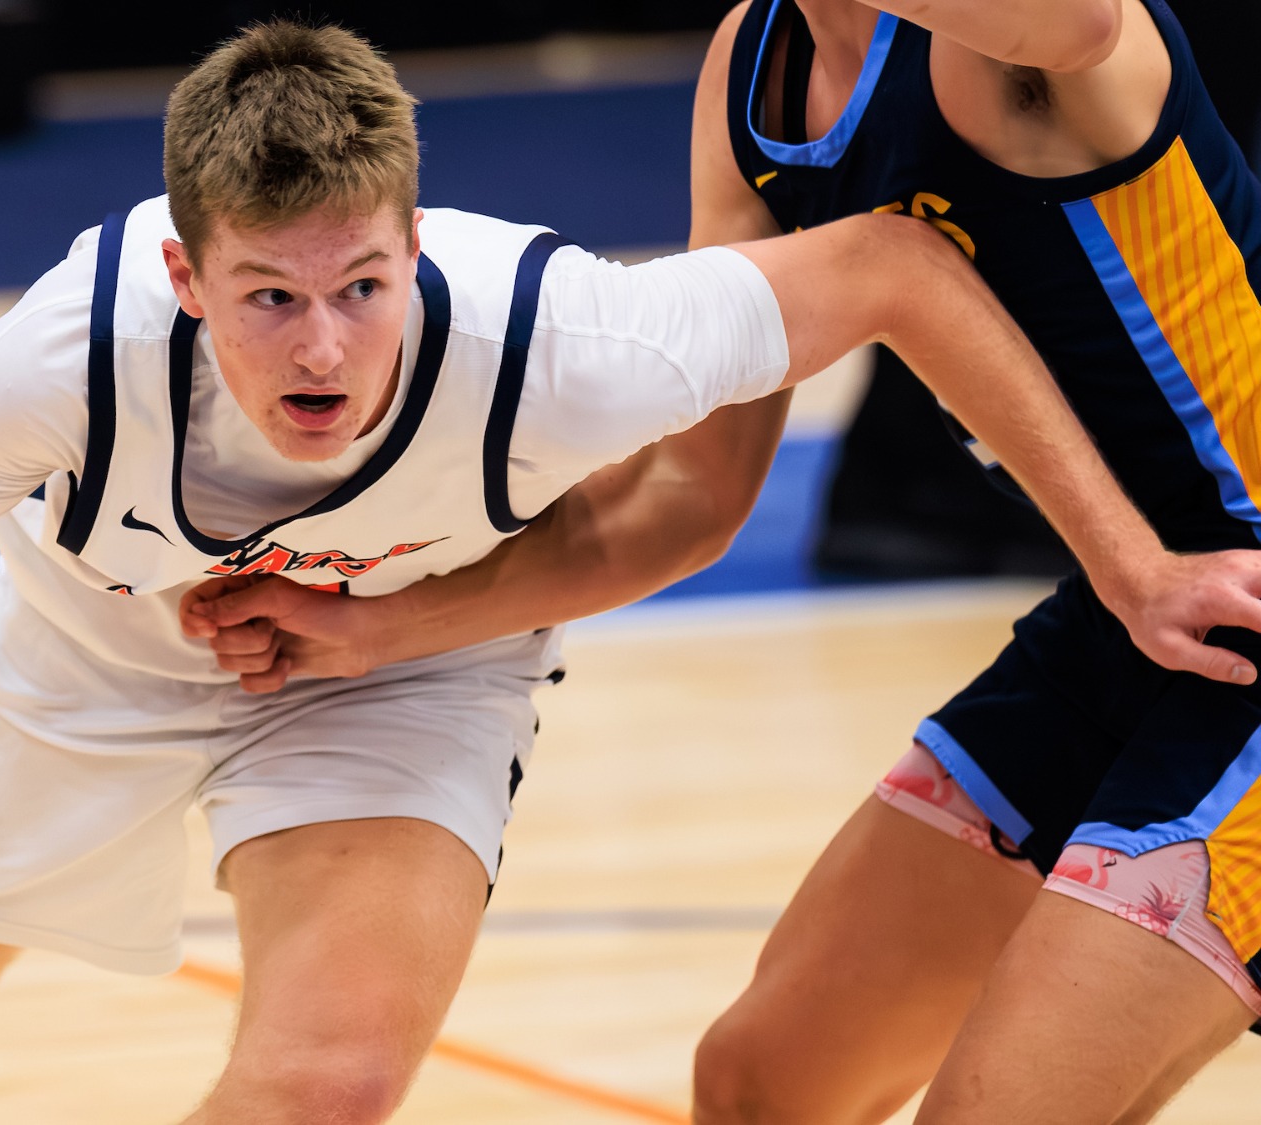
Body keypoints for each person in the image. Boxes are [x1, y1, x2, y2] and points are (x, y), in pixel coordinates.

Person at [0, 20, 1234, 1125]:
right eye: (270, 295)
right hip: (80, 662)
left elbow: (897, 275)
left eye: (362, 284)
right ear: (187, 277)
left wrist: (394, 627)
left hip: (404, 676)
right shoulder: (72, 351)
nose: (326, 343)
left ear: (418, 248)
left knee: (329, 1078)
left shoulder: (554, 333)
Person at [182, 2, 1261, 1121]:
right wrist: (373, 626)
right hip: (1132, 618)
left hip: (1236, 619)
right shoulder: (754, 68)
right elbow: (687, 495)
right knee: (761, 1084)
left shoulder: (996, 44)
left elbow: (1086, 22)